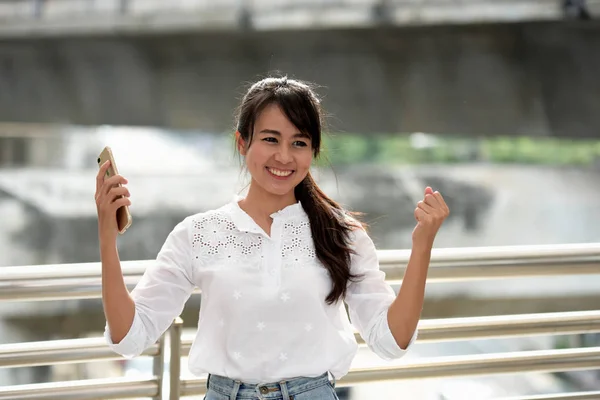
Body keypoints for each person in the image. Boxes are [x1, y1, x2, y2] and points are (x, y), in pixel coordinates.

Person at [95, 76, 450, 400]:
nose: (284, 156)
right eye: (270, 139)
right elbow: (130, 336)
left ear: (313, 151)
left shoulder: (341, 235)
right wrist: (107, 238)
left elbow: (392, 340)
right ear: (242, 143)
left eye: (299, 142)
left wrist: (422, 247)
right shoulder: (198, 233)